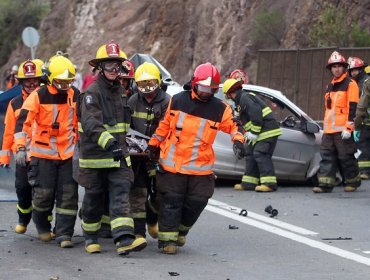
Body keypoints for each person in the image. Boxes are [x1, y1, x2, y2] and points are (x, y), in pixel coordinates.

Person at [147, 62, 245, 254]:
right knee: (171, 201)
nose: (205, 93)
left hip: (201, 167)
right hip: (173, 164)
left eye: (210, 90)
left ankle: (182, 230)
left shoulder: (220, 109)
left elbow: (235, 126)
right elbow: (164, 126)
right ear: (194, 84)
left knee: (198, 201)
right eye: (202, 88)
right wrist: (154, 144)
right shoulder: (177, 101)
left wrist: (238, 140)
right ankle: (168, 241)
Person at [77, 41, 146, 255]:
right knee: (93, 199)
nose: (114, 70)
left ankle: (124, 239)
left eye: (117, 66)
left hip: (118, 156)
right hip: (95, 157)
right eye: (109, 66)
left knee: (121, 193)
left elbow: (122, 126)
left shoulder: (120, 92)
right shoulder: (91, 92)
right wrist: (111, 143)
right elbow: (91, 124)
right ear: (99, 68)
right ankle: (90, 237)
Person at [14, 54, 79, 248]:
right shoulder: (38, 96)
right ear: (50, 78)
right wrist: (19, 148)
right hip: (42, 155)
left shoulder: (74, 94)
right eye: (61, 82)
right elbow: (22, 122)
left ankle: (64, 233)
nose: (64, 86)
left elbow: (81, 119)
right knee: (43, 195)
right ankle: (42, 226)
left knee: (68, 195)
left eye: (68, 82)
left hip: (67, 154)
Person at [128, 62, 170, 241]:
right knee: (138, 193)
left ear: (158, 82)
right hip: (138, 157)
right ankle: (138, 233)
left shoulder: (168, 101)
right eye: (142, 84)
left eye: (150, 83)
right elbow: (127, 127)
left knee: (162, 193)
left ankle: (152, 219)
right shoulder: (132, 101)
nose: (147, 88)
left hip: (160, 156)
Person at [0, 59, 43, 234]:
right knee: (23, 188)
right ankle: (23, 218)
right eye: (28, 81)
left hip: (44, 154)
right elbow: (9, 132)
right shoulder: (15, 104)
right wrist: (4, 157)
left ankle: (44, 225)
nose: (32, 84)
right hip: (21, 155)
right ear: (21, 82)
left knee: (44, 192)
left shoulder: (46, 99)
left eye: (35, 81)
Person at [313, 51, 361, 193]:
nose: (336, 69)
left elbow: (353, 108)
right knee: (327, 156)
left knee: (346, 157)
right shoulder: (330, 86)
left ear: (344, 68)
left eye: (339, 66)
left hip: (343, 130)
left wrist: (349, 127)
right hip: (329, 131)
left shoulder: (350, 84)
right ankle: (325, 184)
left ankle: (353, 182)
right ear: (330, 69)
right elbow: (329, 110)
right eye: (334, 67)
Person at [222, 78, 282, 192]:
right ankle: (248, 183)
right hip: (259, 132)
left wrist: (254, 133)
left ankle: (269, 184)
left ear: (229, 94)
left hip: (266, 131)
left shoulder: (245, 98)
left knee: (260, 153)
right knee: (250, 154)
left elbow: (256, 113)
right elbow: (248, 118)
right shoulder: (241, 101)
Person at [348, 57, 370, 179]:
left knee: (364, 146)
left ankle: (365, 171)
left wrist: (356, 122)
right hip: (364, 119)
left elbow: (361, 104)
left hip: (365, 120)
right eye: (351, 71)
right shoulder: (360, 82)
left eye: (355, 70)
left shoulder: (364, 83)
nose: (353, 73)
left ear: (361, 69)